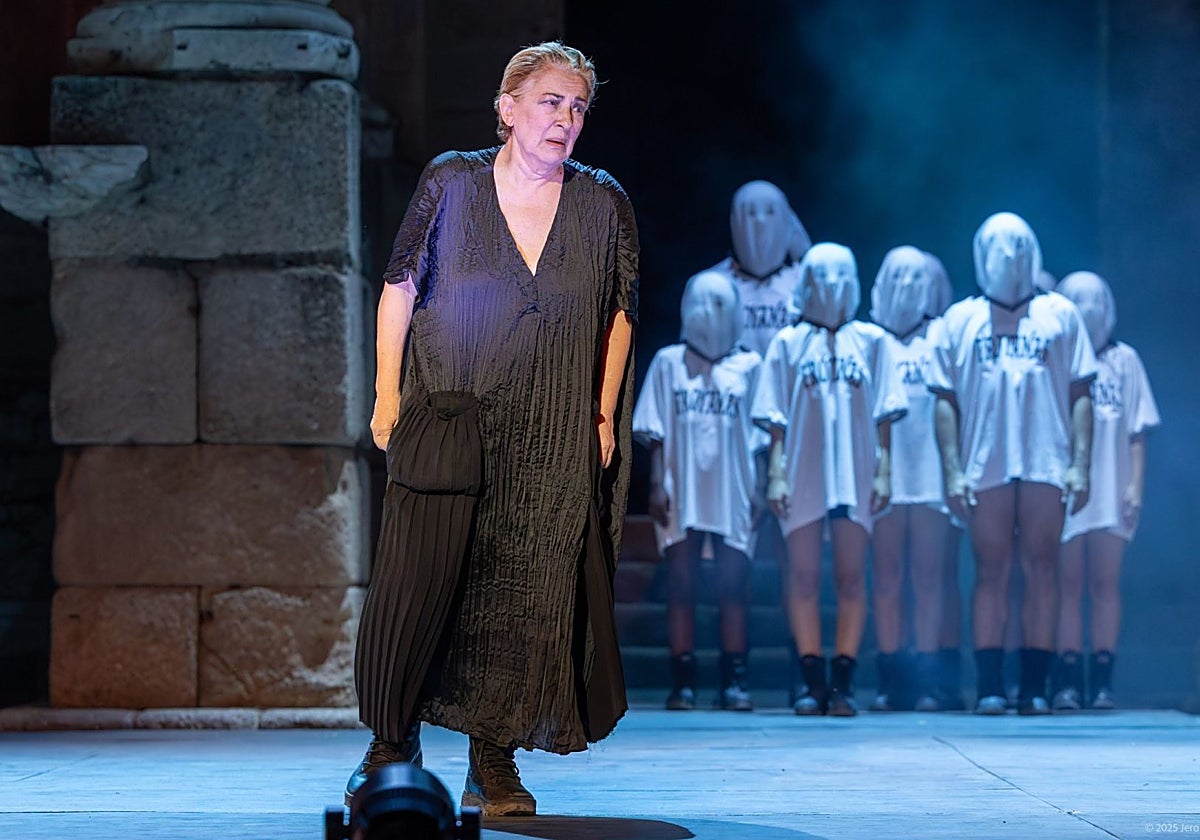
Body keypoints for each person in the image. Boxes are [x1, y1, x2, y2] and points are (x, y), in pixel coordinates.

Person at [348, 41, 638, 817]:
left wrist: (603, 413)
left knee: (522, 593)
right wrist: (385, 395)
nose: (565, 119)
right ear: (507, 108)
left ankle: (493, 760)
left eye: (578, 107)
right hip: (449, 413)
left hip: (548, 432)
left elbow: (619, 313)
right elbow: (398, 286)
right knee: (418, 584)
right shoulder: (452, 181)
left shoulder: (601, 202)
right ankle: (390, 743)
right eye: (550, 102)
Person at [927, 212, 1096, 716]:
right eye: (1000, 245)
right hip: (985, 461)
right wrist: (953, 468)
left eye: (1020, 244)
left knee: (1042, 570)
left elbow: (1081, 393)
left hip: (1046, 459)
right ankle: (990, 685)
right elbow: (944, 401)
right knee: (990, 571)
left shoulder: (1061, 314)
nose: (1010, 254)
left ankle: (1037, 684)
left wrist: (1080, 464)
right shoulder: (959, 320)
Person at [752, 242, 907, 716]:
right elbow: (773, 417)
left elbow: (885, 413)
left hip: (855, 471)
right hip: (802, 470)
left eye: (842, 275)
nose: (833, 286)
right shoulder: (787, 343)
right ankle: (811, 679)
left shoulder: (874, 341)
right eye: (823, 276)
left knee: (849, 575)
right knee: (800, 575)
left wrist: (883, 470)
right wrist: (775, 475)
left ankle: (843, 681)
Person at [633, 270, 768, 712]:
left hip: (734, 487)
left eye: (721, 304)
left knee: (733, 585)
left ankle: (735, 679)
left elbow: (764, 435)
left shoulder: (749, 365)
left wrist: (763, 487)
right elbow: (654, 433)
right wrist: (655, 484)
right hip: (681, 485)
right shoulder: (670, 362)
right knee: (682, 584)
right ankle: (684, 680)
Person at [706, 180, 811, 703]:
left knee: (798, 557)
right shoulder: (714, 283)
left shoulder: (803, 282)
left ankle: (804, 670)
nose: (757, 224)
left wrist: (804, 244)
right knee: (734, 562)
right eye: (746, 212)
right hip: (731, 441)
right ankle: (735, 674)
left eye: (771, 212)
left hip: (794, 440)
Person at [1053, 271, 1160, 710]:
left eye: (1096, 300)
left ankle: (1101, 678)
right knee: (1067, 582)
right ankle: (1066, 677)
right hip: (1067, 488)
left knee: (1103, 583)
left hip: (1112, 487)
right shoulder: (1056, 357)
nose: (1089, 310)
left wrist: (1135, 486)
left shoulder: (1125, 361)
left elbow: (1137, 430)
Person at [868, 246, 952, 712]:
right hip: (884, 475)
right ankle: (890, 677)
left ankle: (927, 678)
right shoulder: (869, 338)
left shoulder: (940, 336)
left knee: (928, 578)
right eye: (896, 275)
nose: (905, 284)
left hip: (930, 474)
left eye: (914, 277)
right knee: (886, 578)